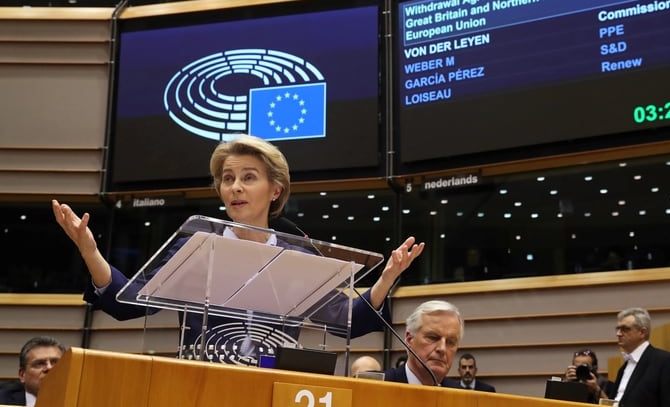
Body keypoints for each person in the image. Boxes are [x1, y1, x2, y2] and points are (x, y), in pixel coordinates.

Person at [52, 134, 425, 364]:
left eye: (249, 178)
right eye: (227, 179)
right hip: (202, 382)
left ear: (275, 190)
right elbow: (126, 302)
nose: (235, 187)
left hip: (272, 387)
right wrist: (90, 251)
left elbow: (348, 322)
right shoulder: (196, 247)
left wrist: (387, 276)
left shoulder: (299, 257)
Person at [612, 307, 670, 407]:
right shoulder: (623, 368)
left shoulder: (665, 362)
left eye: (625, 329)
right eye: (618, 329)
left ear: (642, 332)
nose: (618, 334)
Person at [383, 300, 463, 387]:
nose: (442, 348)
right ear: (410, 339)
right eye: (433, 337)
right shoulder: (378, 386)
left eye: (450, 342)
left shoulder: (462, 396)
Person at [0, 336, 66, 406]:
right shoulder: (2, 400)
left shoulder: (77, 399)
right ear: (22, 375)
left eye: (56, 362)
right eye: (40, 363)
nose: (49, 368)